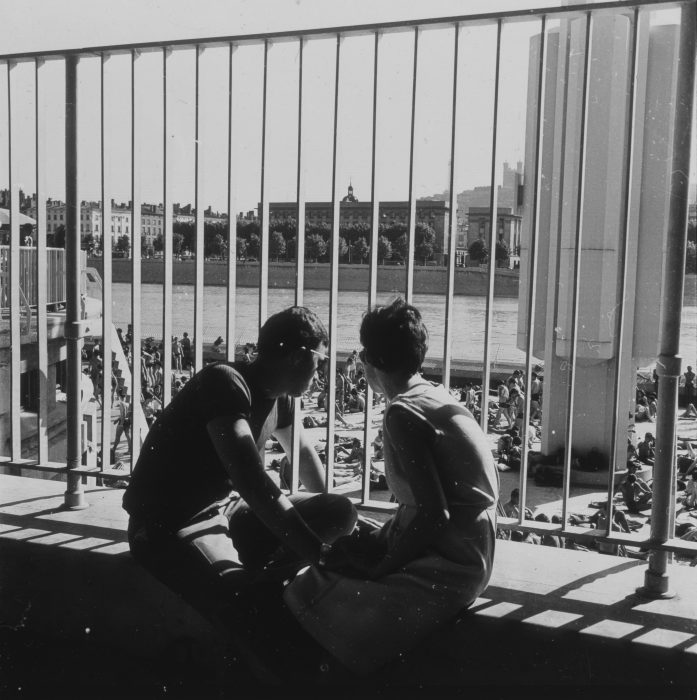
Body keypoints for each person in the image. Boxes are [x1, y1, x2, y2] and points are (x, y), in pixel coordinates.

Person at [283, 298, 499, 676]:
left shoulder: (401, 413)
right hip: (472, 550)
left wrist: (381, 565)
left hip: (452, 562)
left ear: (372, 359)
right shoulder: (435, 395)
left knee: (310, 590)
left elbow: (434, 515)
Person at [123, 307, 357, 612]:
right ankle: (262, 585)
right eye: (321, 361)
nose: (321, 371)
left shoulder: (279, 397)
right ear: (299, 356)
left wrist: (336, 520)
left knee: (340, 511)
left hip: (227, 509)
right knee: (242, 601)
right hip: (169, 522)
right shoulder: (227, 382)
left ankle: (265, 579)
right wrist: (319, 553)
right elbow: (252, 482)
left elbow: (301, 452)